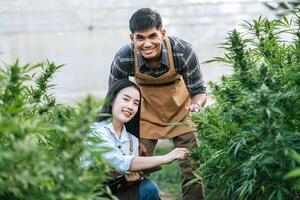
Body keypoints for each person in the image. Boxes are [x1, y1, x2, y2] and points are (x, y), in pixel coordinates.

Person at [109, 8, 207, 200]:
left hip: (182, 113)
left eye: (152, 36)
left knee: (192, 170)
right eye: (140, 38)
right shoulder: (124, 58)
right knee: (133, 167)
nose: (147, 44)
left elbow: (199, 92)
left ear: (162, 33)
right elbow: (114, 101)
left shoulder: (182, 52)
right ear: (132, 38)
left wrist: (196, 106)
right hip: (145, 115)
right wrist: (124, 135)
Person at [90, 79, 189, 200]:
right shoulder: (96, 132)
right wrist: (165, 158)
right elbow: (121, 162)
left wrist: (130, 179)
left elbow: (124, 172)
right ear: (112, 100)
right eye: (126, 99)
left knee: (148, 188)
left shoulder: (132, 140)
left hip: (114, 192)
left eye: (136, 103)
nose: (130, 106)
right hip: (90, 194)